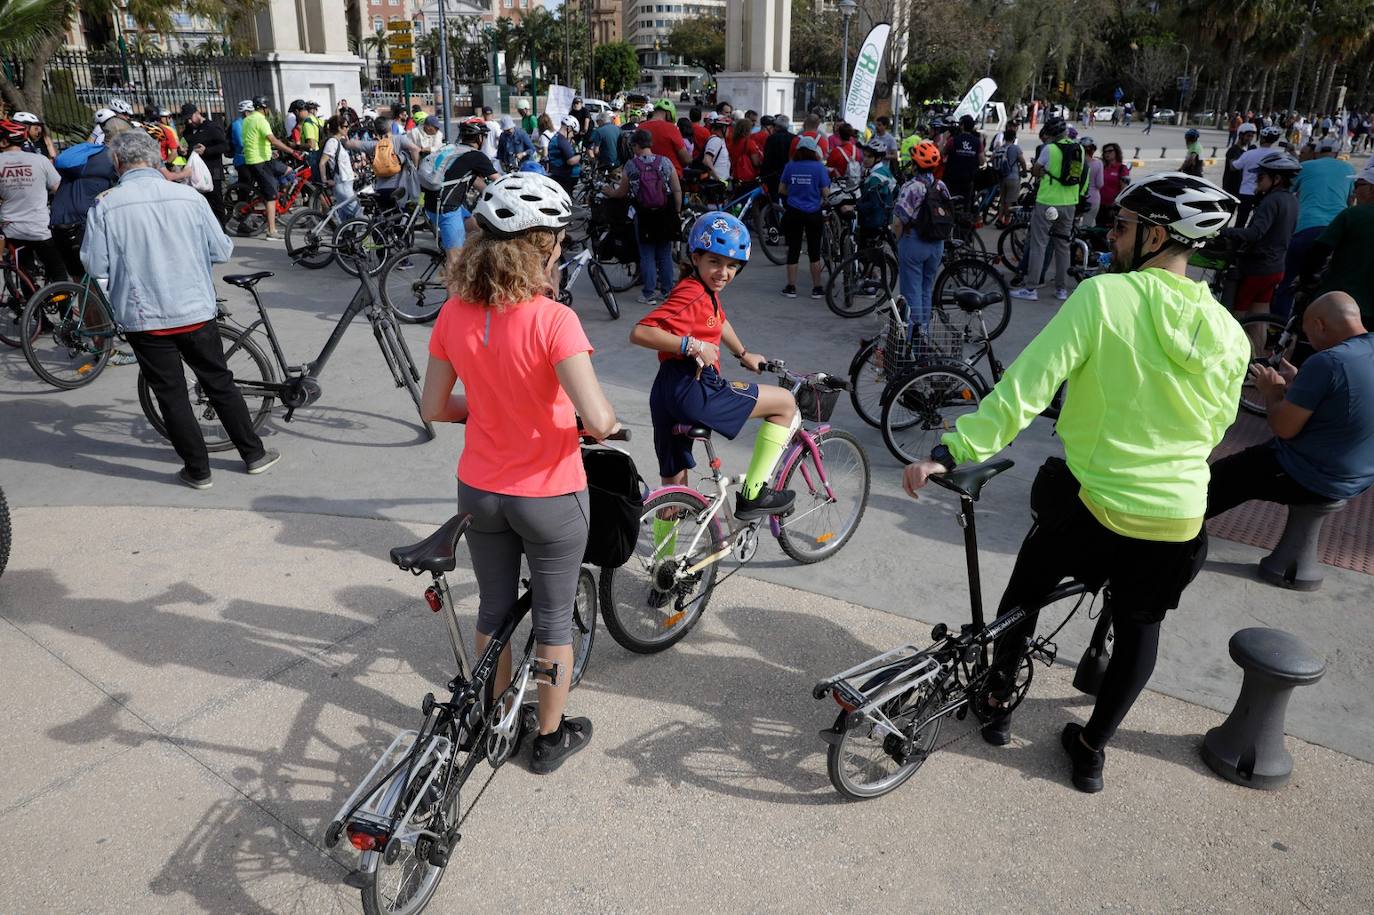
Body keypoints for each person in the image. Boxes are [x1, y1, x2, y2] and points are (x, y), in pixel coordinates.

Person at [902, 173, 1248, 793]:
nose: (1111, 238)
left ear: (1156, 234)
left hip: (1095, 503)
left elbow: (1026, 388)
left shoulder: (1102, 298)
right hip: (1178, 517)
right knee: (1142, 628)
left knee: (1025, 592)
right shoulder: (1230, 333)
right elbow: (1217, 425)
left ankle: (998, 703)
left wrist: (953, 450)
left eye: (1120, 227)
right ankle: (1090, 751)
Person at [420, 172, 617, 773]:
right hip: (550, 493)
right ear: (546, 245)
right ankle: (549, 737)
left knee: (493, 608)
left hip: (479, 490)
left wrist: (484, 406)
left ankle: (492, 718)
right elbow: (601, 420)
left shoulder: (454, 312)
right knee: (554, 619)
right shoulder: (554, 319)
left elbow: (433, 407)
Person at [81, 129, 279, 488]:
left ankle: (198, 471)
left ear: (117, 161)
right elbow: (221, 251)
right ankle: (253, 454)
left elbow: (96, 265)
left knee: (171, 394)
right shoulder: (188, 198)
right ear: (157, 158)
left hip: (145, 318)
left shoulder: (106, 204)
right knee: (219, 382)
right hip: (195, 309)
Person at [630, 211, 799, 522]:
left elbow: (717, 321)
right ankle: (754, 494)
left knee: (674, 488)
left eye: (732, 266)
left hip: (666, 392)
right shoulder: (692, 294)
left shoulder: (701, 290)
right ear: (696, 257)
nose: (724, 272)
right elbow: (640, 332)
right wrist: (691, 345)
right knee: (785, 404)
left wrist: (743, 353)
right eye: (715, 262)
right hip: (695, 388)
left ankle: (665, 566)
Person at [1208, 291, 1374, 520]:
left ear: (1319, 325)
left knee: (1222, 477)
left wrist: (1272, 391)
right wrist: (1301, 384)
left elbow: (1283, 429)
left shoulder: (1327, 362)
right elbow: (1348, 397)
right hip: (1360, 477)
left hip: (1314, 477)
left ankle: (1175, 539)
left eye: (1307, 333)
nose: (1309, 341)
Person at [1274, 136, 1356, 315]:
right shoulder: (1348, 168)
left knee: (1287, 281)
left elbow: (1287, 193)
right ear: (1336, 153)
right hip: (1337, 233)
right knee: (1326, 285)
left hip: (1306, 229)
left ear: (1316, 152)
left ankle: (1277, 327)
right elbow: (1351, 201)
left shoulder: (1306, 167)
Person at [601, 129, 681, 304]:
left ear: (636, 145)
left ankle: (649, 293)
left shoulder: (631, 165)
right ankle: (667, 291)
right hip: (665, 213)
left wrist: (609, 192)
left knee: (647, 255)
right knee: (665, 253)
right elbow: (676, 189)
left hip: (643, 215)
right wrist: (676, 211)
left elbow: (621, 192)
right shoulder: (665, 162)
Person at [1012, 117, 1086, 302]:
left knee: (1039, 245)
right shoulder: (1080, 148)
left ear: (1052, 134)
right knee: (1063, 247)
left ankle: (1031, 289)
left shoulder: (1049, 149)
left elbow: (1036, 170)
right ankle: (1061, 290)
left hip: (1048, 203)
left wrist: (1043, 171)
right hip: (1070, 203)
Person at [1221, 151, 1300, 325]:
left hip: (1257, 269)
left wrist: (1226, 231)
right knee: (1259, 318)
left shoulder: (1271, 201)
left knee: (1236, 318)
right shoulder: (1292, 200)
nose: (1257, 180)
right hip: (1276, 268)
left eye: (1261, 176)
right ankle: (1260, 351)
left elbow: (1255, 234)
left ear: (1276, 179)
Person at [891, 141, 950, 344]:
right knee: (926, 288)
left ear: (915, 165)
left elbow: (899, 221)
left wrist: (896, 240)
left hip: (914, 242)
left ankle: (912, 339)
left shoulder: (911, 187)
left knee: (910, 291)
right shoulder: (941, 186)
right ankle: (924, 332)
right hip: (936, 244)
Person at [1302, 161, 1374, 324]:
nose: (1355, 190)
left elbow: (1319, 250)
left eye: (1358, 184)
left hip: (1340, 300)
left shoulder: (1352, 215)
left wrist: (1306, 281)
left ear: (1371, 188)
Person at [0, 119, 67, 285]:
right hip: (40, 227)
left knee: (25, 273)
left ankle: (32, 307)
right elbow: (58, 188)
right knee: (59, 274)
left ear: (4, 141)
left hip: (12, 229)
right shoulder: (40, 160)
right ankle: (63, 306)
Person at [49, 128, 118, 279]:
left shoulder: (82, 159)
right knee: (96, 278)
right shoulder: (110, 160)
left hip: (58, 220)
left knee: (78, 277)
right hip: (83, 222)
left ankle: (75, 301)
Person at [423, 120, 498, 252]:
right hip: (447, 210)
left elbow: (472, 180)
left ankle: (470, 260)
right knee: (455, 261)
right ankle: (452, 266)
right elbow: (499, 181)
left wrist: (488, 191)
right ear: (479, 138)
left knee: (477, 229)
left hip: (432, 205)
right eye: (484, 136)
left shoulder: (452, 149)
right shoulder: (476, 156)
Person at [778, 135, 830, 299]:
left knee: (793, 249)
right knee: (814, 250)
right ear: (814, 151)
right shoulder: (819, 167)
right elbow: (826, 192)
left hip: (793, 211)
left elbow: (781, 189)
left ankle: (791, 287)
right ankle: (817, 288)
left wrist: (794, 193)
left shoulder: (790, 166)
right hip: (814, 212)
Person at [241, 96, 301, 239]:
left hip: (260, 159)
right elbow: (272, 139)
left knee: (289, 171)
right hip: (259, 161)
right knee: (271, 196)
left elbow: (256, 140)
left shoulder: (247, 120)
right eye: (268, 108)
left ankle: (279, 195)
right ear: (264, 108)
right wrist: (292, 151)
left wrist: (270, 150)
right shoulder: (261, 120)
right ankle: (271, 231)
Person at [178, 103, 229, 226]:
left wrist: (207, 150)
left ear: (197, 113)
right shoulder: (187, 131)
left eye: (191, 118)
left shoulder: (212, 127)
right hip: (196, 173)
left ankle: (222, 230)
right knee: (199, 202)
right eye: (186, 119)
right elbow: (189, 151)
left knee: (216, 201)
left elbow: (225, 146)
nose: (189, 121)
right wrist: (183, 152)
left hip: (213, 170)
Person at [1231, 124, 1281, 226]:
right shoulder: (1277, 155)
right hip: (1265, 193)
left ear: (1262, 138)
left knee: (1240, 221)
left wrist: (1232, 158)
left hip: (1246, 192)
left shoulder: (1249, 154)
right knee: (1259, 222)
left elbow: (1234, 167)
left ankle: (1235, 241)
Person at [940, 114, 984, 203]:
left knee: (949, 202)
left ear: (962, 125)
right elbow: (982, 161)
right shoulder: (977, 142)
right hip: (969, 179)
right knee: (967, 203)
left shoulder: (953, 140)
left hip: (952, 177)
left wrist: (944, 138)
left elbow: (941, 153)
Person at [641, 99, 689, 174]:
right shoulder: (672, 128)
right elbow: (686, 159)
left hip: (645, 176)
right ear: (669, 114)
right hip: (671, 177)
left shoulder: (640, 128)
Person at [995, 125, 1027, 224]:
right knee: (1009, 201)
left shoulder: (1000, 148)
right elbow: (1022, 161)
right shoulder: (1015, 148)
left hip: (1002, 178)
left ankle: (1000, 218)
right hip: (1013, 177)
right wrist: (1024, 171)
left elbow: (993, 158)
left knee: (1002, 200)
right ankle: (1007, 221)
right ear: (1014, 138)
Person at [547, 115, 582, 196]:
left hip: (557, 173)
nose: (573, 135)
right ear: (569, 128)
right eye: (573, 132)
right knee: (567, 199)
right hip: (566, 176)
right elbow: (571, 161)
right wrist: (580, 156)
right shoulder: (562, 140)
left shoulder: (555, 138)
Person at [761, 114, 794, 197]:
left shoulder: (771, 138)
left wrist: (764, 175)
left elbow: (767, 158)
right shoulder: (794, 138)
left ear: (777, 126)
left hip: (773, 175)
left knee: (774, 197)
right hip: (789, 173)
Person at [1079, 137, 1104, 228]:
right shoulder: (1098, 163)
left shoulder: (1076, 163)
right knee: (1087, 225)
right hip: (1093, 198)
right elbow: (1099, 184)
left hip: (1077, 197)